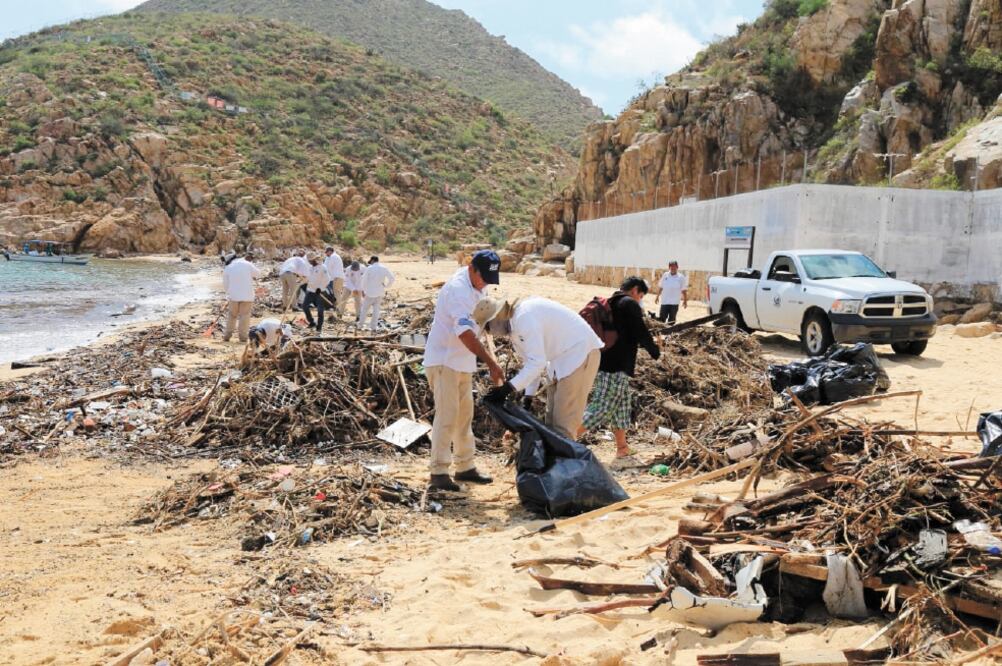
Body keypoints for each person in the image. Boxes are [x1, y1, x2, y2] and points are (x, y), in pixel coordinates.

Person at [423, 250, 505, 491]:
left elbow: (480, 318)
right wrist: (490, 362)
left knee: (464, 416)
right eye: (484, 278)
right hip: (444, 360)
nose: (486, 284)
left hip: (462, 362)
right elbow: (465, 333)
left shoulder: (480, 286)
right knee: (447, 416)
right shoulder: (457, 290)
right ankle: (438, 471)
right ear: (472, 269)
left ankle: (465, 467)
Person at [478, 296, 603, 438]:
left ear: (496, 317)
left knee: (563, 426)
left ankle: (567, 459)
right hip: (560, 360)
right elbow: (531, 365)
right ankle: (559, 458)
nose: (489, 333)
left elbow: (537, 363)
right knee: (551, 424)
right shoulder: (514, 330)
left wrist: (507, 388)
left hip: (579, 354)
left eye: (487, 327)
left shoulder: (524, 317)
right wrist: (527, 399)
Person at [579, 276, 661, 459]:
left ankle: (622, 448)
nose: (639, 300)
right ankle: (562, 441)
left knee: (622, 407)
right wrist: (654, 350)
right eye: (641, 295)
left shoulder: (612, 302)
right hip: (615, 367)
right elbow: (641, 331)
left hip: (608, 363)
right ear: (634, 291)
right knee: (601, 408)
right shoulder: (628, 304)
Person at [222, 252, 262, 343]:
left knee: (232, 316)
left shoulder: (228, 268)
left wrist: (229, 294)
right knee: (244, 316)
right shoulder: (247, 264)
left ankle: (227, 336)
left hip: (233, 296)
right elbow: (258, 274)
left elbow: (225, 285)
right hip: (247, 296)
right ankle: (243, 338)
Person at [358, 256, 395, 331]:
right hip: (379, 292)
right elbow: (392, 278)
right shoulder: (384, 268)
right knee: (376, 311)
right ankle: (373, 327)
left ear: (373, 260)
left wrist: (363, 290)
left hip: (369, 292)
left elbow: (364, 280)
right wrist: (386, 286)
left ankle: (360, 325)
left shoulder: (370, 268)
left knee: (364, 310)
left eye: (370, 261)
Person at [302, 255, 332, 332]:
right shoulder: (311, 268)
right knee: (304, 306)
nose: (309, 262)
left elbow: (327, 279)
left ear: (314, 260)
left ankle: (319, 327)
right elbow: (308, 279)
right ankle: (312, 322)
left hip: (320, 292)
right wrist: (301, 280)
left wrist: (320, 288)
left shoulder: (323, 267)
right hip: (311, 291)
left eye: (310, 261)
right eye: (309, 261)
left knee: (320, 310)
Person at [323, 246, 346, 318]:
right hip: (335, 278)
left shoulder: (333, 257)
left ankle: (339, 311)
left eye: (326, 252)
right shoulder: (331, 257)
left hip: (336, 278)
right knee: (335, 295)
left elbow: (326, 268)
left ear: (330, 251)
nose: (326, 253)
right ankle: (337, 311)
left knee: (336, 294)